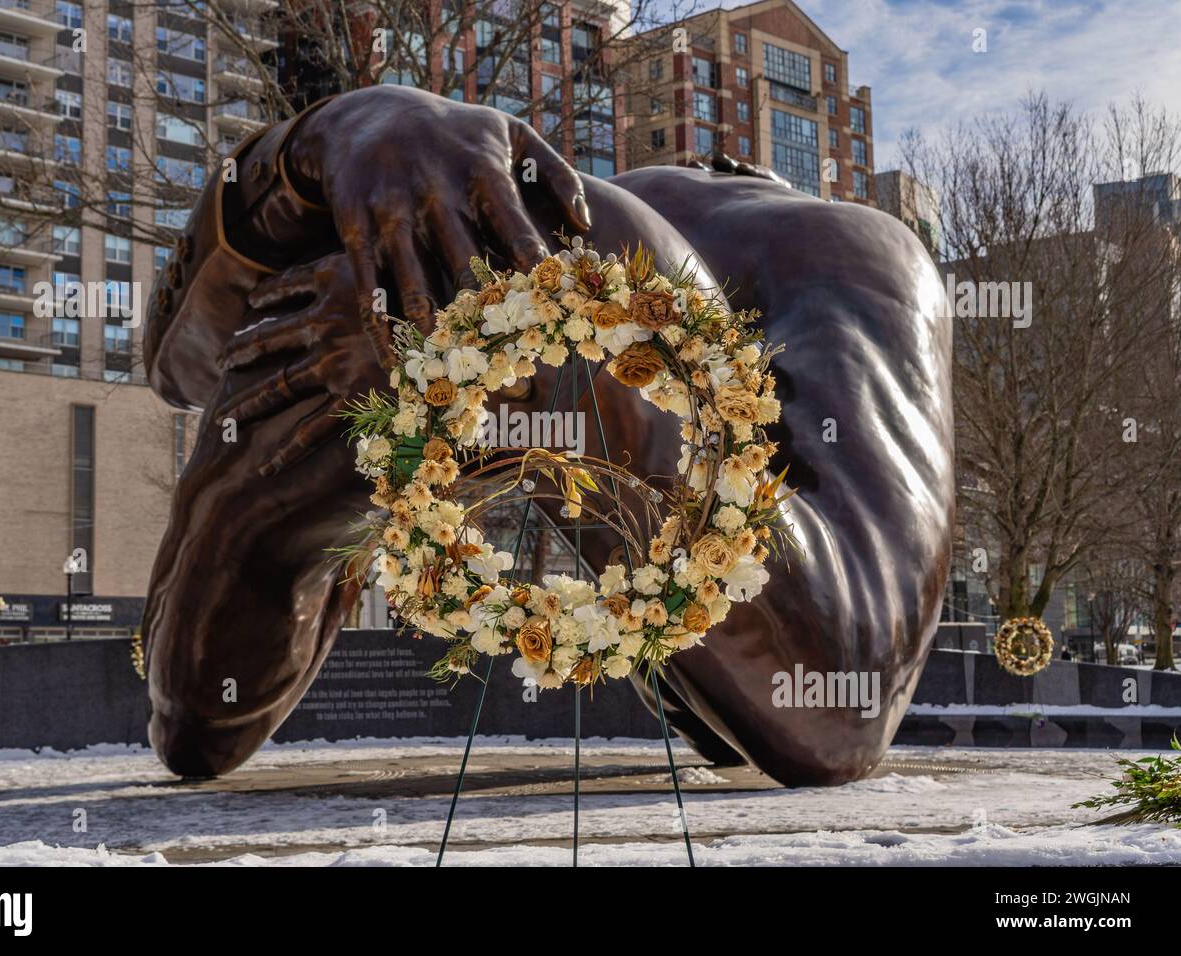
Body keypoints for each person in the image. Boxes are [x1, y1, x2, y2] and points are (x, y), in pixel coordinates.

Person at [140, 86, 953, 786]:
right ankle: (262, 498)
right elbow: (841, 694)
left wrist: (347, 126)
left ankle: (254, 503)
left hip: (556, 268)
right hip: (536, 265)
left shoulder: (825, 246)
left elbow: (848, 692)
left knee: (198, 712)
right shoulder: (822, 244)